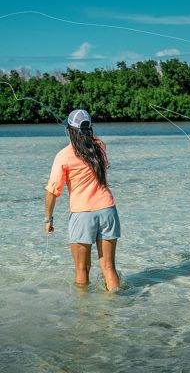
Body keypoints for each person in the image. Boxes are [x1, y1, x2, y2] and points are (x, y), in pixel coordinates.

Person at [44, 109, 121, 291]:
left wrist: (49, 219)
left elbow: (52, 190)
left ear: (70, 130)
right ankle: (118, 309)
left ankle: (83, 314)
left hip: (82, 214)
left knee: (81, 269)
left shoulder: (63, 155)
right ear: (89, 127)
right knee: (109, 267)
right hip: (108, 210)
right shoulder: (100, 146)